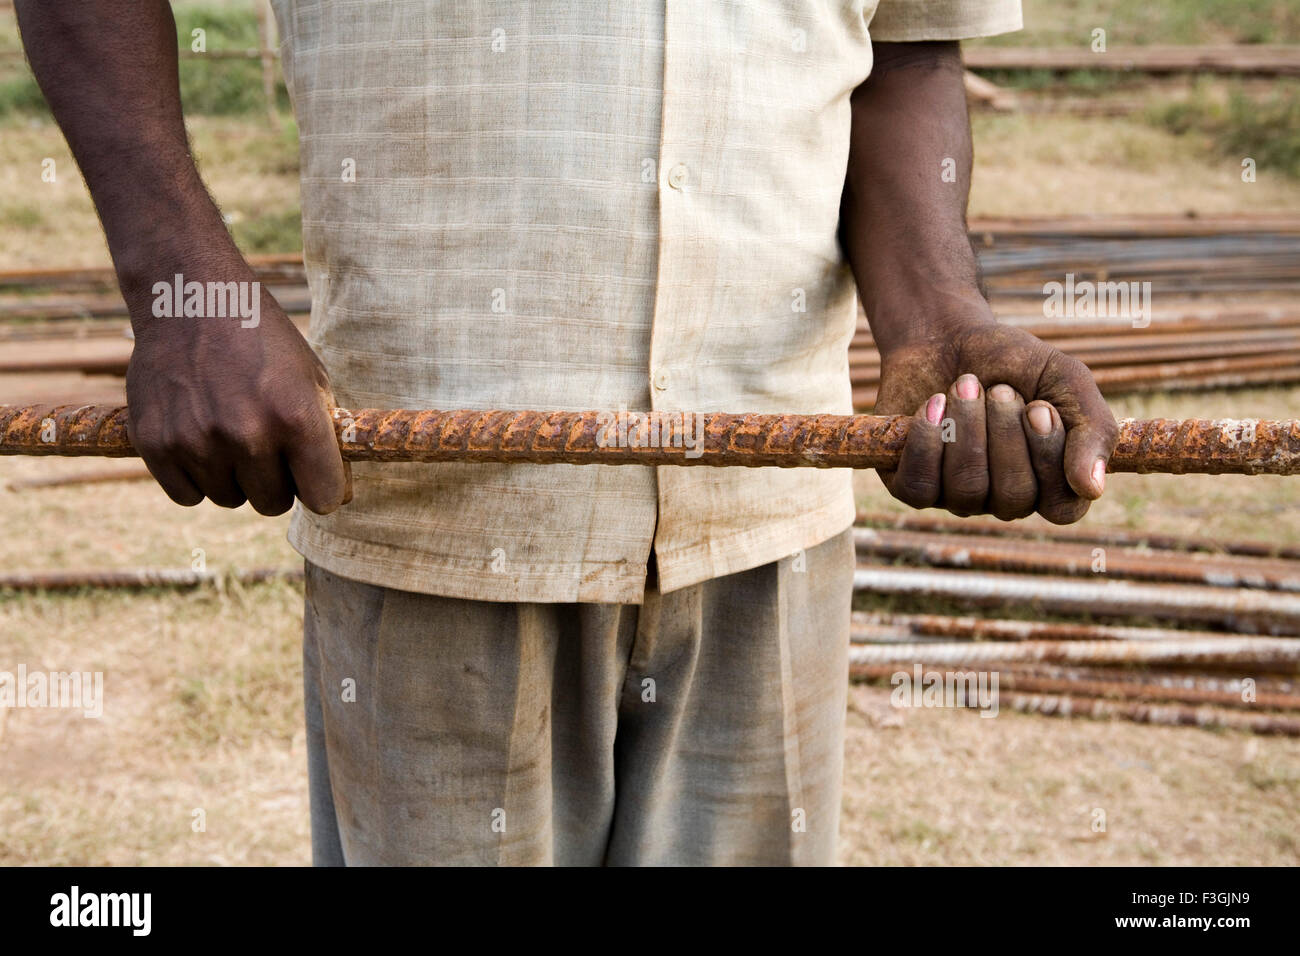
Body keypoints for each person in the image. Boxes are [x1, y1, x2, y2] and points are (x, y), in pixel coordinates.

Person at [18, 0, 1116, 865]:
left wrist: (936, 319)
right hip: (438, 501)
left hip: (772, 498)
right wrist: (182, 289)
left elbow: (905, 42)